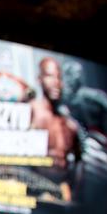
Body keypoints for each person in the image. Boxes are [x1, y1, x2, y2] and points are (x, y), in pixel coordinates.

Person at [30, 56, 81, 196]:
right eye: (49, 76)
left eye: (59, 78)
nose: (55, 83)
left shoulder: (69, 124)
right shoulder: (31, 110)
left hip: (60, 196)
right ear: (39, 79)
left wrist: (72, 191)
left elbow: (78, 161)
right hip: (32, 193)